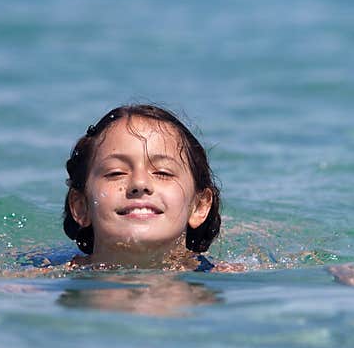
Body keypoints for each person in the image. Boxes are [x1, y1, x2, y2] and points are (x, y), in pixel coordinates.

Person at [61, 104, 235, 272]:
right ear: (81, 206)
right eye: (116, 173)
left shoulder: (226, 280)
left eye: (163, 172)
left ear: (198, 206)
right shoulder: (40, 278)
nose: (140, 184)